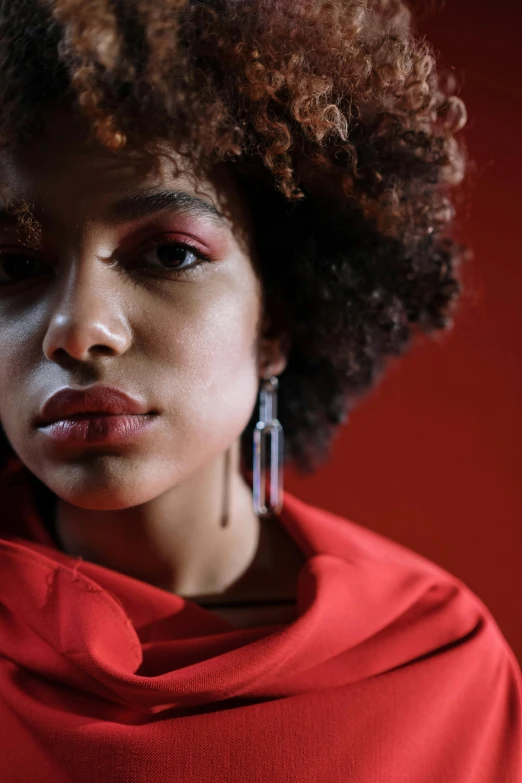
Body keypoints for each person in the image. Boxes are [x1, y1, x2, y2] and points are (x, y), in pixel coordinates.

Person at [0, 0, 520, 781]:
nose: (80, 330)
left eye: (169, 255)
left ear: (276, 318)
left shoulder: (440, 665)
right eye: (12, 266)